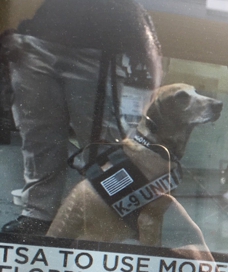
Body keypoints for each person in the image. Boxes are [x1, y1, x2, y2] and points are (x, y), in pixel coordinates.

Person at [1, 0, 162, 235]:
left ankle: (112, 211)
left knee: (104, 145)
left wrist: (150, 65)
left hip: (97, 48)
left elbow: (133, 10)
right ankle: (39, 213)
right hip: (35, 39)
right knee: (39, 137)